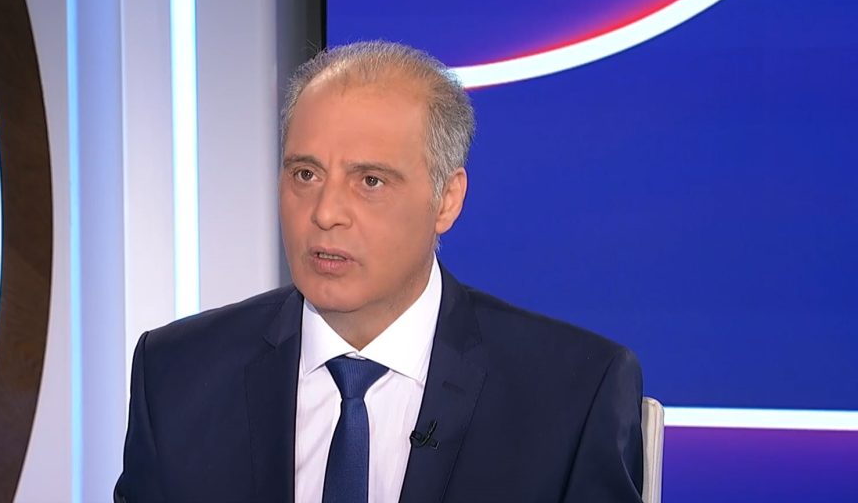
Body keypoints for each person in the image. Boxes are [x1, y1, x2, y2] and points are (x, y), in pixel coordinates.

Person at [115, 41, 643, 503]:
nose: (325, 213)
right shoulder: (176, 374)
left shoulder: (571, 394)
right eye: (305, 174)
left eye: (370, 181)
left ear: (447, 199)